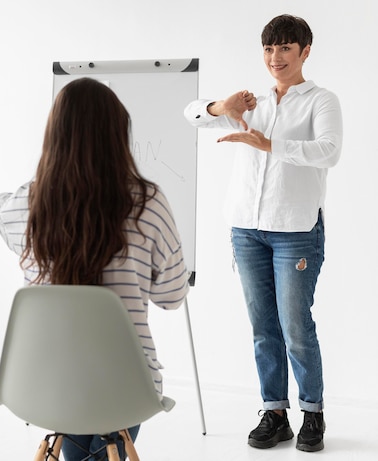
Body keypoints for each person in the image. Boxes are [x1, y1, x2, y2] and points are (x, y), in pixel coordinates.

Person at [0, 77, 190, 460]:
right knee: (105, 417)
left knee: (76, 416)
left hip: (42, 382)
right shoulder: (148, 204)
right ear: (116, 135)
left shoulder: (22, 206)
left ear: (54, 134)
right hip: (125, 385)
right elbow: (172, 296)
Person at [184, 14, 342, 452]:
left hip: (295, 230)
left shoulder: (321, 100)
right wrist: (222, 108)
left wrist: (269, 145)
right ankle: (275, 412)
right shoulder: (253, 102)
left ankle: (313, 413)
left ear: (305, 52)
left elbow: (329, 152)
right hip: (246, 231)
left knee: (295, 325)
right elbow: (192, 114)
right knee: (262, 327)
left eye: (286, 49)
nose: (276, 58)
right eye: (269, 49)